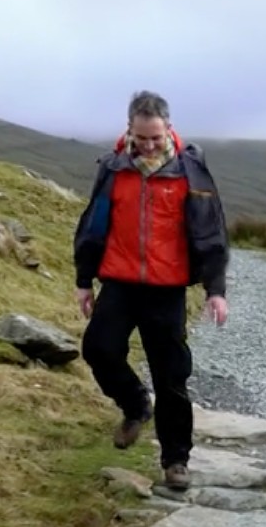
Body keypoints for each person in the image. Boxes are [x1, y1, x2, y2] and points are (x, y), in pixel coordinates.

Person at [72, 90, 230, 490]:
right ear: (129, 130)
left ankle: (176, 460)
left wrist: (215, 288)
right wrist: (83, 280)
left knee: (172, 375)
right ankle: (135, 405)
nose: (147, 146)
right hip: (120, 281)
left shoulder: (190, 172)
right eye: (140, 138)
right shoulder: (113, 168)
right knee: (98, 348)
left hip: (168, 288)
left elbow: (210, 232)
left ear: (169, 130)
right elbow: (94, 224)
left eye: (155, 138)